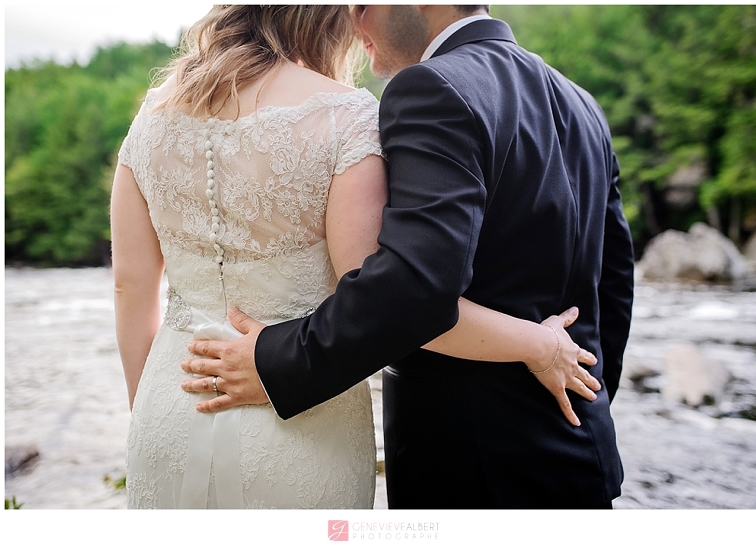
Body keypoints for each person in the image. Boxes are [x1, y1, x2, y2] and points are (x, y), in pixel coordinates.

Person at [113, 5, 601, 509]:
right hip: (304, 430)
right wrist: (552, 354)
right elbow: (610, 285)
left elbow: (130, 285)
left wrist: (148, 412)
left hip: (171, 410)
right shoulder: (347, 114)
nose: (356, 21)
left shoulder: (151, 116)